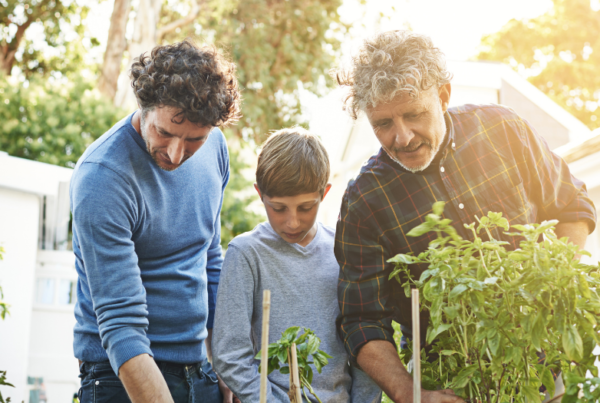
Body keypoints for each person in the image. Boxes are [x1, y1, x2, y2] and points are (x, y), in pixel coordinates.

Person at [332, 30, 597, 403]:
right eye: (383, 124)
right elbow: (361, 320)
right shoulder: (365, 201)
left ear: (443, 95)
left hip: (546, 371)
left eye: (413, 114)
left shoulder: (503, 130)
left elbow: (571, 206)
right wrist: (410, 393)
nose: (402, 137)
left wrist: (550, 293)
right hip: (453, 388)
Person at [70, 41, 241, 403]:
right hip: (122, 375)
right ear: (144, 109)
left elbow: (209, 258)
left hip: (199, 370)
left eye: (193, 139)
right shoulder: (103, 177)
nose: (176, 153)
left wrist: (227, 367)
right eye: (164, 133)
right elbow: (121, 324)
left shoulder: (215, 150)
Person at [212, 128, 382, 403]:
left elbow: (365, 343)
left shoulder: (345, 250)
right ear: (260, 194)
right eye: (278, 208)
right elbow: (230, 353)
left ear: (324, 193)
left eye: (305, 207)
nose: (292, 222)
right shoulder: (246, 253)